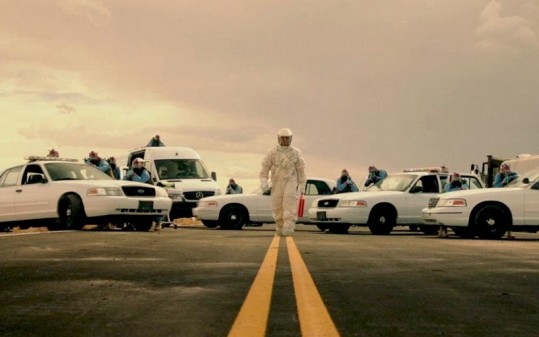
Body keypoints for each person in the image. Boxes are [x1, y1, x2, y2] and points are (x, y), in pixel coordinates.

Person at [259, 128, 306, 236]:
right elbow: (265, 168)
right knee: (277, 205)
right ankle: (279, 224)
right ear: (279, 138)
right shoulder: (272, 152)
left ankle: (289, 225)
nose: (285, 140)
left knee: (289, 203)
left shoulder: (296, 153)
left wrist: (301, 186)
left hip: (290, 181)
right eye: (283, 138)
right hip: (276, 182)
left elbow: (301, 171)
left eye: (287, 138)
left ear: (291, 139)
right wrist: (263, 181)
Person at [493, 162, 519, 239]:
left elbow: (518, 178)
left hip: (511, 196)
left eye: (506, 168)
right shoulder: (499, 176)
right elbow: (497, 186)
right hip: (502, 196)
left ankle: (509, 232)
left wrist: (510, 176)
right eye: (503, 169)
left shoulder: (513, 174)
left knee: (510, 214)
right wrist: (504, 181)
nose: (505, 170)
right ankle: (500, 231)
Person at [439, 172, 469, 238]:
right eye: (455, 177)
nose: (456, 178)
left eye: (457, 177)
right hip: (449, 205)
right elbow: (447, 193)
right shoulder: (448, 185)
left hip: (460, 205)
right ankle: (443, 231)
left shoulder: (463, 185)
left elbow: (466, 191)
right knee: (445, 219)